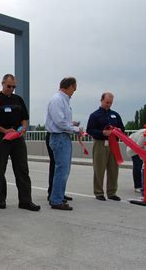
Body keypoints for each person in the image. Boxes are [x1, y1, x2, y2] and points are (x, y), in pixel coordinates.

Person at [0, 74, 40, 211]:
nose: (11, 89)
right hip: (2, 137)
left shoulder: (18, 100)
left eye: (13, 87)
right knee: (1, 169)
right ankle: (1, 199)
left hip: (17, 138)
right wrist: (4, 130)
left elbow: (24, 117)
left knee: (22, 169)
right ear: (2, 83)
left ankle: (25, 201)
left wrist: (23, 127)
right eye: (9, 86)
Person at [45, 77, 82, 210]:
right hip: (59, 137)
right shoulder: (58, 100)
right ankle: (56, 200)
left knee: (62, 169)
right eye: (74, 88)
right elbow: (59, 122)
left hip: (62, 136)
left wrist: (71, 124)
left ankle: (58, 197)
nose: (74, 91)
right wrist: (75, 129)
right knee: (62, 169)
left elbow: (61, 120)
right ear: (69, 87)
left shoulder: (62, 100)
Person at [86, 92, 125, 201]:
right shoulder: (94, 115)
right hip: (100, 144)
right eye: (107, 102)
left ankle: (112, 192)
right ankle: (99, 192)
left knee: (114, 169)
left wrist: (119, 131)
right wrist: (102, 133)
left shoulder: (115, 115)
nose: (108, 104)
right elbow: (90, 130)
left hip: (114, 145)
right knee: (99, 169)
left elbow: (122, 128)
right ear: (101, 100)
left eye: (110, 103)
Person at [46, 133, 73, 203]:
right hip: (55, 135)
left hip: (60, 135)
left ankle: (59, 193)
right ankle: (53, 194)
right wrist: (75, 129)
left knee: (59, 167)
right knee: (56, 166)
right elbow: (60, 123)